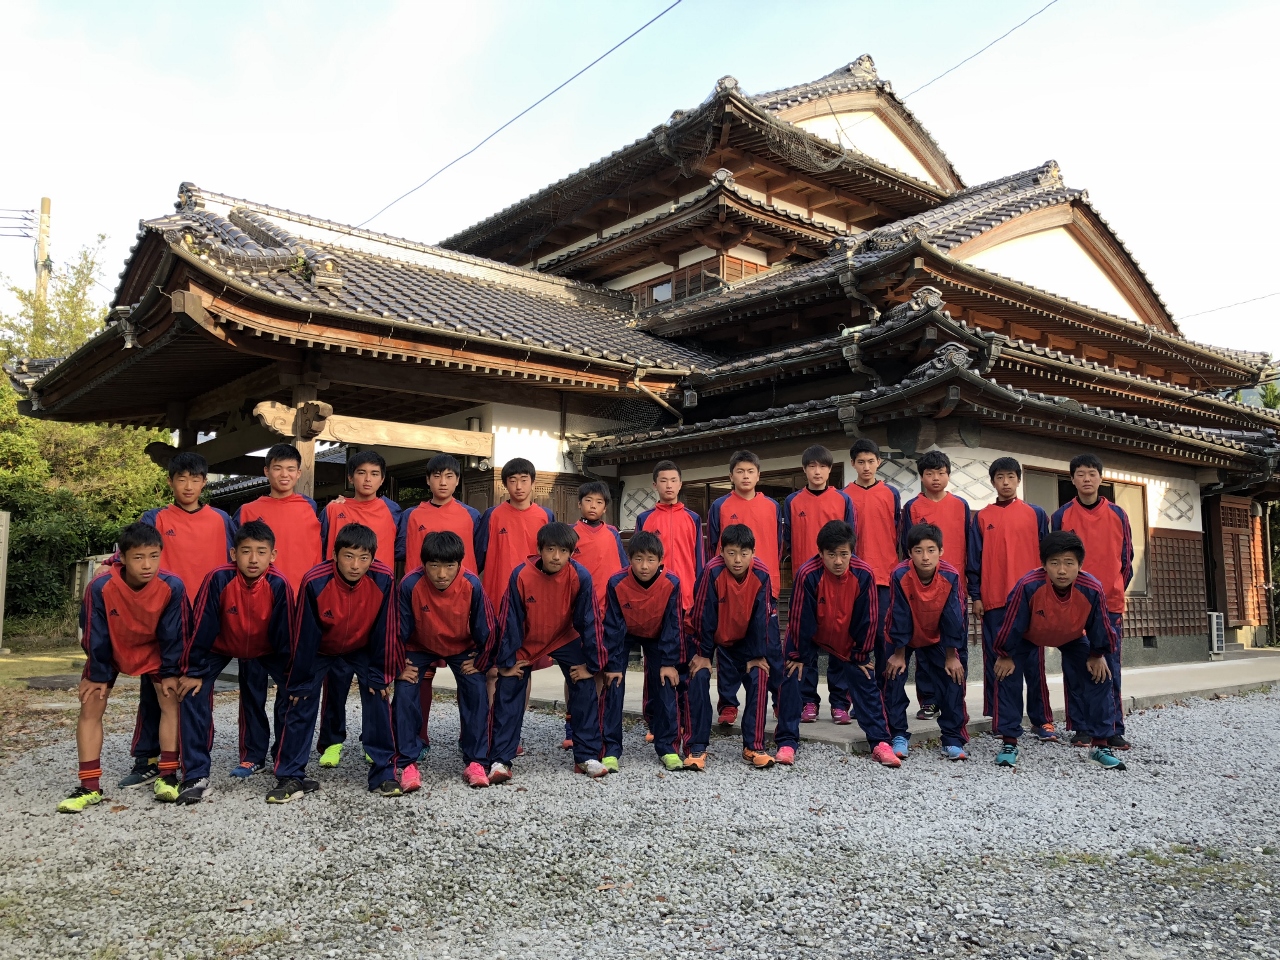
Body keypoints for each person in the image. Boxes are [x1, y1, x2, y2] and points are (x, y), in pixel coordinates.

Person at [118, 451, 235, 790]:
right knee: (155, 687)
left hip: (207, 616)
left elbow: (234, 563)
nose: (188, 486)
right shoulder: (155, 518)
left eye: (195, 479)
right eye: (181, 479)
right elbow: (133, 555)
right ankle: (147, 758)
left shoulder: (221, 520)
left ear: (204, 483)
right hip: (164, 614)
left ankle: (193, 757)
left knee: (199, 688)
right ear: (170, 482)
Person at [58, 523, 188, 813]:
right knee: (91, 701)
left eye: (153, 556)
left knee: (170, 698)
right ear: (123, 558)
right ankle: (89, 786)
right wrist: (97, 674)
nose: (147, 565)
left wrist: (170, 672)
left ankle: (168, 775)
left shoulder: (173, 586)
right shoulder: (100, 586)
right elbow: (94, 632)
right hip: (112, 649)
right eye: (139, 557)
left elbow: (173, 633)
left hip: (154, 650)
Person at [269, 523, 400, 802]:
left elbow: (386, 628)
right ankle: (291, 775)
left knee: (378, 695)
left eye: (364, 558)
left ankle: (383, 773)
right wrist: (299, 681)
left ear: (373, 558)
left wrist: (381, 673)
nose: (355, 565)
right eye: (348, 556)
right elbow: (304, 634)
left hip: (362, 647)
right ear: (334, 555)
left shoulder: (384, 578)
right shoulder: (315, 580)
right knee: (300, 699)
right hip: (321, 648)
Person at [177, 520, 293, 802]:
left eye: (261, 552)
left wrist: (294, 676)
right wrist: (193, 670)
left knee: (295, 692)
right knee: (192, 691)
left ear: (273, 555)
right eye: (246, 551)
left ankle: (287, 765)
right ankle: (196, 773)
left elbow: (286, 635)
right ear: (233, 553)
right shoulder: (218, 578)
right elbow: (201, 625)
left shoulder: (279, 584)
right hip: (221, 645)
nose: (253, 559)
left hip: (265, 648)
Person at [991, 531, 1125, 771]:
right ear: (1044, 565)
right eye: (1054, 563)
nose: (1062, 570)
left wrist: (1097, 654)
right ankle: (1009, 742)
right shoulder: (1029, 585)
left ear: (1080, 566)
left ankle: (1100, 745)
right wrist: (1005, 654)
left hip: (1072, 637)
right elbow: (1011, 622)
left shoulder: (1092, 588)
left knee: (1101, 676)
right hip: (1028, 637)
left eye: (1069, 563)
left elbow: (1101, 625)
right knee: (1006, 674)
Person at [487, 522, 607, 781]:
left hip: (563, 636)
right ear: (539, 549)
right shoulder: (521, 574)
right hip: (527, 640)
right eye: (550, 549)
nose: (556, 556)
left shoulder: (580, 576)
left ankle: (586, 756)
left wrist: (592, 665)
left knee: (584, 684)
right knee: (509, 686)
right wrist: (505, 662)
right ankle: (500, 760)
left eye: (563, 551)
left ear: (571, 553)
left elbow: (590, 619)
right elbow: (509, 619)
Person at [233, 443, 323, 776]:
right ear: (266, 471)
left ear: (299, 474)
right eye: (277, 468)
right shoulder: (248, 510)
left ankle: (284, 751)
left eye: (290, 469)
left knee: (291, 685)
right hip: (255, 607)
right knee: (252, 685)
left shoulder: (311, 510)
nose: (284, 475)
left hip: (297, 609)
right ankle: (252, 752)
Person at [315, 451, 402, 769]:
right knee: (335, 682)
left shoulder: (393, 511)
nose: (367, 479)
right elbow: (321, 547)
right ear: (350, 477)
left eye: (374, 473)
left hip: (375, 604)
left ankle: (373, 741)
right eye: (361, 473)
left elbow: (400, 550)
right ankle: (331, 742)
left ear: (383, 479)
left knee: (375, 682)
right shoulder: (334, 509)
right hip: (337, 604)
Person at [787, 521, 899, 767]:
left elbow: (868, 618)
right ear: (820, 553)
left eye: (844, 554)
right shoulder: (808, 573)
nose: (838, 561)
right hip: (814, 633)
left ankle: (880, 742)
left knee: (866, 680)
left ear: (852, 552)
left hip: (847, 638)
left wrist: (861, 654)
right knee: (791, 676)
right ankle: (786, 742)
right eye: (831, 555)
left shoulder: (864, 573)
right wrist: (798, 655)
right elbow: (799, 617)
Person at [395, 531, 497, 790]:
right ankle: (407, 761)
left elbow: (487, 627)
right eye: (434, 565)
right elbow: (395, 630)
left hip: (461, 647)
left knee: (476, 689)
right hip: (419, 645)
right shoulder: (409, 584)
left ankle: (476, 760)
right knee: (405, 690)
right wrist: (397, 663)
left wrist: (481, 661)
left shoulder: (471, 584)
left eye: (449, 566)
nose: (441, 574)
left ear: (459, 564)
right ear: (423, 564)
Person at [394, 453, 482, 754]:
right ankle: (418, 739)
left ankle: (469, 741)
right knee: (420, 675)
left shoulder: (471, 515)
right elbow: (401, 554)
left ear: (457, 480)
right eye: (436, 476)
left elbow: (479, 555)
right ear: (427, 480)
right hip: (420, 606)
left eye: (449, 476)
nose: (443, 482)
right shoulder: (411, 515)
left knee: (469, 672)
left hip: (458, 606)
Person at [688, 524, 795, 769]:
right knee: (699, 675)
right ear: (721, 552)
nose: (738, 560)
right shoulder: (712, 571)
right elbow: (703, 614)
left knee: (760, 674)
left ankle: (753, 746)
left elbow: (762, 618)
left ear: (753, 553)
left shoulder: (762, 573)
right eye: (732, 553)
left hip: (745, 637)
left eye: (744, 553)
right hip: (713, 634)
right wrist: (704, 654)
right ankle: (696, 746)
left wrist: (757, 654)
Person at [967, 457, 1054, 740]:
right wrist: (976, 595)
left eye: (1010, 477)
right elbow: (974, 560)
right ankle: (1001, 720)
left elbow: (1048, 558)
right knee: (997, 662)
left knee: (1034, 664)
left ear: (1018, 480)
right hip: (994, 600)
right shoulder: (982, 517)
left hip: (1031, 601)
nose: (1005, 482)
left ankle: (1042, 720)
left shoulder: (1036, 514)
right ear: (993, 482)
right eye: (1000, 477)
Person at [1051, 454, 1133, 750]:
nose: (1086, 478)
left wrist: (1116, 588)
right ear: (1072, 479)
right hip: (1072, 604)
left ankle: (1113, 728)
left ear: (1101, 477)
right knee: (1075, 667)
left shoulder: (1118, 514)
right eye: (1080, 474)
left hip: (1109, 604)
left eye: (1092, 473)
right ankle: (1081, 727)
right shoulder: (1061, 516)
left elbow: (1127, 560)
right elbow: (1055, 561)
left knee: (1110, 666)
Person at [706, 451, 784, 727]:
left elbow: (779, 543)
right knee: (727, 647)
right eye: (740, 471)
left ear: (759, 475)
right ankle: (728, 704)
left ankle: (778, 701)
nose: (745, 476)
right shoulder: (720, 505)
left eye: (751, 471)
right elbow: (714, 544)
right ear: (731, 476)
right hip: (729, 586)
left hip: (765, 585)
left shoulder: (772, 506)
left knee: (771, 647)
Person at [783, 444, 856, 725]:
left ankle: (840, 703)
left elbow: (851, 540)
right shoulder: (792, 501)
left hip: (838, 581)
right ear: (804, 470)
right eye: (812, 466)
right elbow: (787, 540)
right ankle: (808, 701)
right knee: (806, 642)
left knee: (840, 643)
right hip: (806, 581)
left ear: (830, 470)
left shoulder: (843, 500)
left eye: (823, 466)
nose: (817, 471)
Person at [897, 450, 972, 722]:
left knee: (956, 645)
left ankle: (955, 699)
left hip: (954, 587)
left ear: (949, 475)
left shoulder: (961, 505)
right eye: (929, 473)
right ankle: (928, 701)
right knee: (925, 649)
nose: (936, 478)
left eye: (941, 473)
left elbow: (970, 545)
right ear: (921, 476)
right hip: (922, 588)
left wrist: (971, 586)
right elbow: (906, 547)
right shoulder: (912, 507)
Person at [884, 524, 970, 761]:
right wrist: (899, 653)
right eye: (918, 551)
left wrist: (951, 656)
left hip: (937, 634)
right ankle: (898, 735)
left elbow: (953, 616)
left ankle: (952, 739)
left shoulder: (950, 575)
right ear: (909, 553)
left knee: (953, 678)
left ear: (941, 551)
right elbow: (899, 614)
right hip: (903, 635)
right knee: (893, 676)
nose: (925, 557)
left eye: (931, 550)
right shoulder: (900, 574)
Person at [634, 460, 704, 747]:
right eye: (663, 480)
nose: (669, 485)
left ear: (680, 483)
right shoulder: (645, 518)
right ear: (655, 485)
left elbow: (699, 560)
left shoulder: (693, 518)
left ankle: (684, 718)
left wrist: (698, 596)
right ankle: (654, 719)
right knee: (654, 663)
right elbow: (638, 561)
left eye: (674, 480)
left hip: (686, 599)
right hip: (656, 601)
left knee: (684, 661)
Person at [600, 531, 683, 772]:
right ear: (629, 559)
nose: (644, 566)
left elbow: (673, 623)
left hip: (657, 634)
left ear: (660, 560)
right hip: (625, 632)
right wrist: (613, 664)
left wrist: (669, 662)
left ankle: (667, 747)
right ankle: (610, 749)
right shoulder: (616, 582)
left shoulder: (671, 583)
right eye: (638, 559)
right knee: (614, 682)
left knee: (665, 683)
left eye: (650, 559)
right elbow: (612, 625)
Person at [841, 439, 901, 722]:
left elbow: (899, 532)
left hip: (886, 576)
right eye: (861, 462)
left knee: (883, 638)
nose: (866, 467)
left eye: (871, 461)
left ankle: (884, 697)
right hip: (854, 576)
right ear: (853, 464)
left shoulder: (891, 493)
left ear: (879, 462)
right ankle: (857, 698)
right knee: (856, 638)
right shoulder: (844, 496)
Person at [572, 480, 627, 611]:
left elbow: (624, 566)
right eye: (588, 500)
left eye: (599, 502)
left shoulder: (612, 533)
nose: (593, 506)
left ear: (605, 508)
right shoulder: (570, 533)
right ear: (579, 504)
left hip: (609, 601)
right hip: (580, 601)